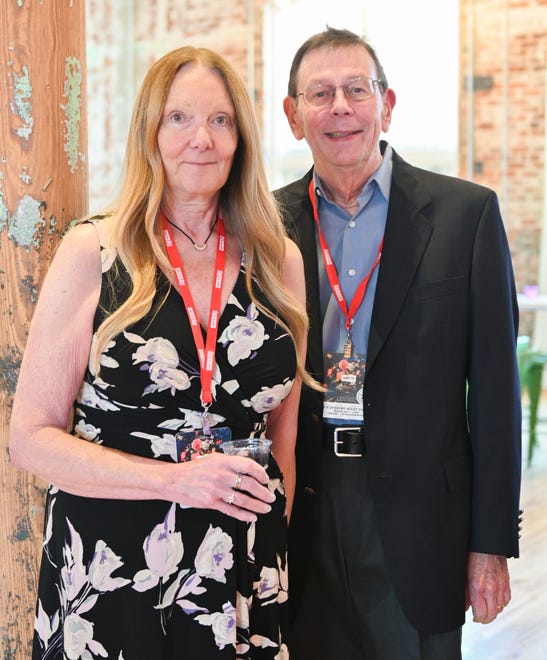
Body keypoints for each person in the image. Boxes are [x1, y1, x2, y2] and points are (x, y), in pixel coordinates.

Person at [10, 45, 312, 659]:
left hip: (241, 566)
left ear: (241, 138)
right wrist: (178, 482)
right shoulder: (94, 252)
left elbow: (283, 438)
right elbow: (30, 438)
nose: (200, 137)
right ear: (149, 132)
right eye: (178, 118)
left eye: (220, 120)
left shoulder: (279, 260)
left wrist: (270, 547)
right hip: (112, 569)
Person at [274, 27, 522, 660]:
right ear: (293, 116)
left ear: (387, 105)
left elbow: (494, 397)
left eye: (358, 89)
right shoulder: (265, 225)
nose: (340, 108)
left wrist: (490, 545)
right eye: (320, 93)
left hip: (421, 523)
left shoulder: (466, 216)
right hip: (303, 506)